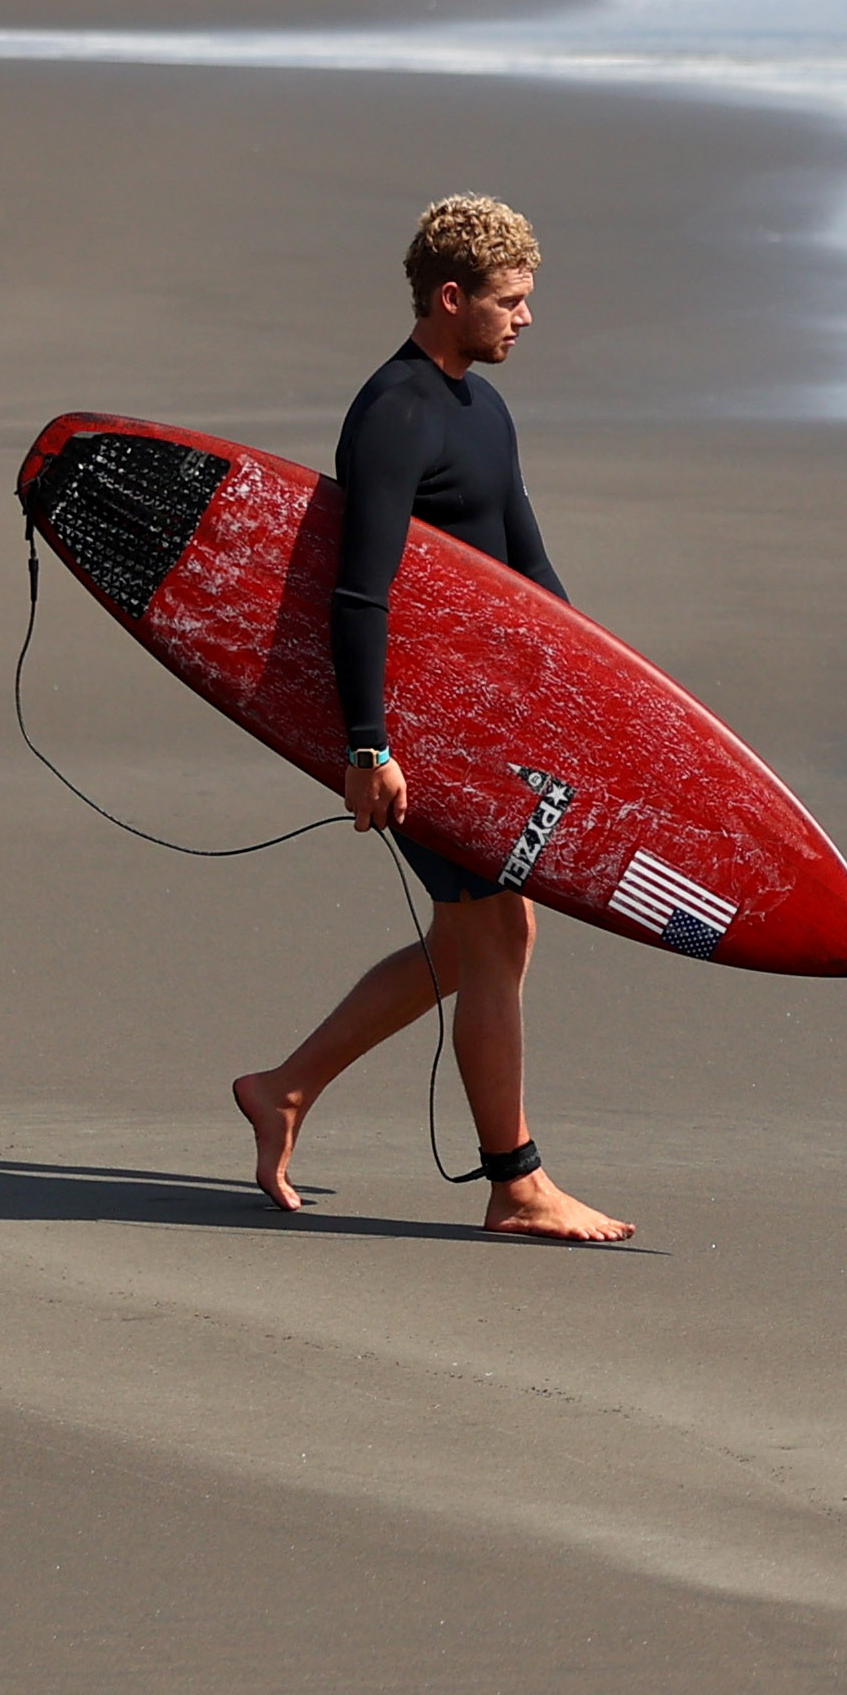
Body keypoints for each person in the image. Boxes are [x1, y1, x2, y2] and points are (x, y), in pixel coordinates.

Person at [229, 194, 638, 1243]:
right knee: (496, 931)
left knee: (485, 937)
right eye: (509, 300)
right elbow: (357, 593)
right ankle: (516, 1182)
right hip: (412, 730)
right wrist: (368, 747)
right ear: (448, 297)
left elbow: (526, 568)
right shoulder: (397, 413)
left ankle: (284, 1086)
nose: (526, 318)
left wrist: (601, 695)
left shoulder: (480, 407)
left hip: (474, 720)